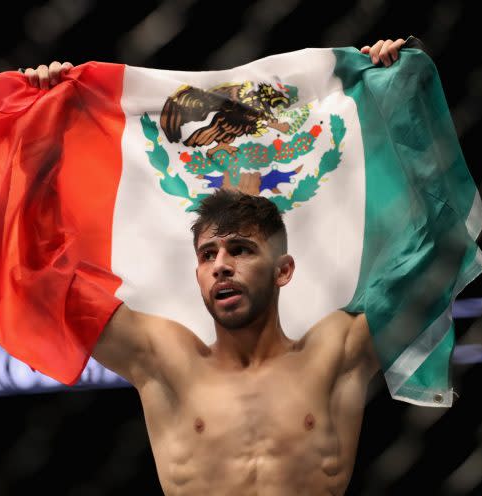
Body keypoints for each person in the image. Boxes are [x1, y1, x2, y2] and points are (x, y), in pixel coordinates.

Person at [21, 38, 409, 495]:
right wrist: (44, 131)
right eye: (209, 255)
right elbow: (40, 269)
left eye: (241, 250)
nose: (221, 265)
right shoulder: (165, 359)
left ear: (283, 270)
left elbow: (427, 248)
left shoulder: (336, 352)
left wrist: (394, 101)